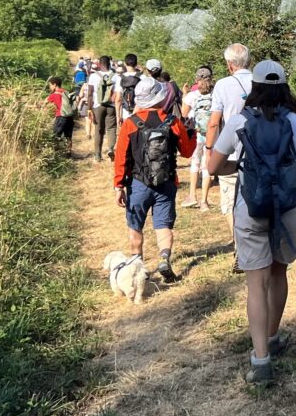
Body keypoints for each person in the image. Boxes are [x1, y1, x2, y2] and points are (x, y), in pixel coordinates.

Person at [208, 60, 296, 386]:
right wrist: (285, 172)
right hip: (287, 207)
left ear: (254, 87)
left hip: (251, 207)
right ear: (285, 86)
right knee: (278, 272)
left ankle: (261, 361)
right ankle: (272, 335)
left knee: (255, 284)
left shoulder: (240, 121)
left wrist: (244, 170)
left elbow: (214, 166)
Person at [114, 75, 197, 284]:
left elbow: (121, 157)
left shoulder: (130, 124)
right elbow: (187, 152)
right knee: (163, 225)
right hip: (166, 182)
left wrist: (118, 185)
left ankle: (137, 270)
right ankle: (164, 258)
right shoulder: (173, 122)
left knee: (135, 228)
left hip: (138, 183)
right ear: (160, 97)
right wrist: (192, 133)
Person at [205, 43, 254, 218]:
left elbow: (214, 122)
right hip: (261, 148)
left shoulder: (223, 85)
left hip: (232, 152)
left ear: (230, 64)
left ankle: (237, 241)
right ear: (249, 61)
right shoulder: (260, 81)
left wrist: (209, 149)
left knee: (230, 199)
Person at [180, 67, 215, 210]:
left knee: (195, 164)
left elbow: (184, 113)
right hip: (213, 135)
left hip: (197, 135)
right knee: (207, 166)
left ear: (197, 80)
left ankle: (192, 195)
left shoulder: (192, 96)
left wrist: (184, 95)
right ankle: (204, 202)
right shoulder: (216, 94)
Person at [87, 56, 119, 163]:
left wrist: (89, 108)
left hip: (97, 105)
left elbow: (90, 93)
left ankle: (97, 155)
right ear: (109, 63)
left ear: (99, 64)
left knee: (98, 130)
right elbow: (118, 94)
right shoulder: (116, 76)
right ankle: (110, 148)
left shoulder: (93, 76)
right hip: (111, 106)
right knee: (111, 128)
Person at [46, 75, 76, 153]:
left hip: (61, 117)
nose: (50, 87)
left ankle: (55, 153)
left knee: (55, 136)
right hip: (70, 117)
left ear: (55, 84)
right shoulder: (65, 92)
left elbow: (43, 103)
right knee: (68, 136)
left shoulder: (55, 94)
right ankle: (68, 153)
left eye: (50, 85)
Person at [117, 54, 143, 123]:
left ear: (125, 63)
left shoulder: (120, 78)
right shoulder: (142, 77)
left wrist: (118, 116)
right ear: (136, 63)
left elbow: (118, 99)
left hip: (125, 111)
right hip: (140, 112)